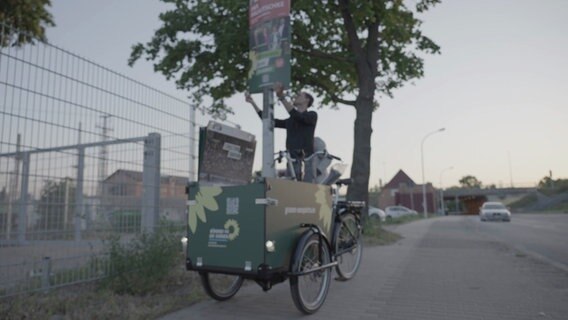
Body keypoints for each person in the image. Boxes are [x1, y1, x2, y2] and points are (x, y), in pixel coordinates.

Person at [245, 83, 317, 182]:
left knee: (308, 188)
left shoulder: (312, 115)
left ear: (307, 100)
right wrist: (252, 103)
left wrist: (282, 97)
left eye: (299, 95)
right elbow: (269, 121)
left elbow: (298, 117)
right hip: (292, 159)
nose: (296, 97)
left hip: (307, 159)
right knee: (292, 188)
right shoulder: (290, 120)